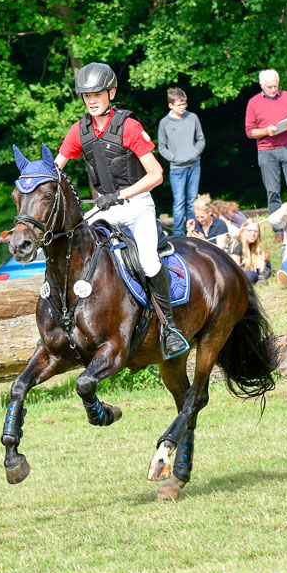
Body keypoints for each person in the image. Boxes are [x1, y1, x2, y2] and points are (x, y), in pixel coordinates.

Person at [54, 61, 189, 359]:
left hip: (136, 205)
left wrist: (121, 194)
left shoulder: (128, 126)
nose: (91, 101)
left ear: (111, 93)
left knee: (149, 262)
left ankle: (170, 329)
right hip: (104, 208)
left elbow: (156, 175)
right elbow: (56, 169)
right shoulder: (78, 131)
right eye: (86, 96)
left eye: (97, 95)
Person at [245, 69, 287, 244]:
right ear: (261, 85)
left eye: (275, 86)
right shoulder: (253, 102)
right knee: (273, 191)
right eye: (269, 86)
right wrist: (266, 131)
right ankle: (278, 229)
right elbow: (250, 132)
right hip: (266, 149)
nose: (273, 89)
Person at [157, 88, 205, 237]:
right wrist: (176, 158)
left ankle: (193, 230)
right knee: (179, 202)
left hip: (194, 165)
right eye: (179, 105)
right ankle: (178, 233)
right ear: (171, 105)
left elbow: (201, 140)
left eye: (184, 104)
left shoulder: (193, 118)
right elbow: (162, 148)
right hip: (177, 168)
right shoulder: (164, 123)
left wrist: (194, 153)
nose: (182, 107)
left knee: (192, 201)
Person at [228, 219, 271, 285]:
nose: (253, 234)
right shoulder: (237, 244)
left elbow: (264, 254)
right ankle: (259, 277)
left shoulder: (254, 243)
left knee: (267, 263)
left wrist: (260, 260)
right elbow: (235, 268)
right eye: (249, 231)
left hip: (246, 268)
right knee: (251, 275)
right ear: (243, 231)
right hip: (233, 272)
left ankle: (260, 277)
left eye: (256, 231)